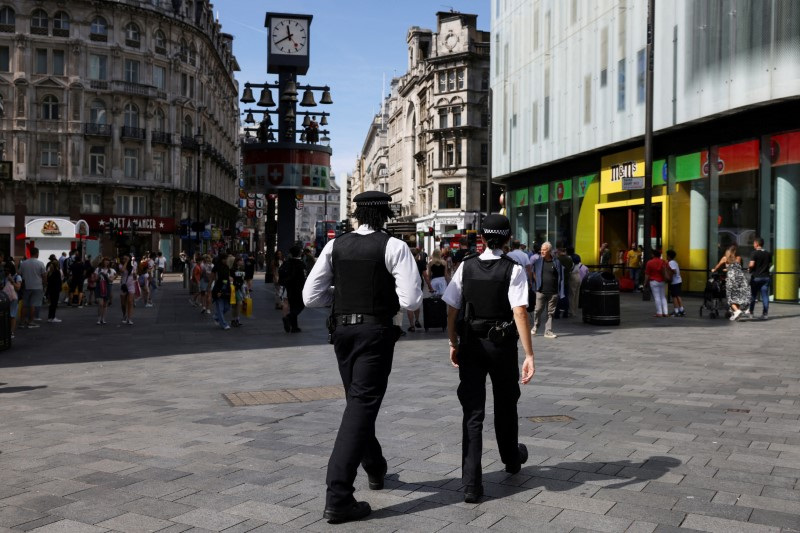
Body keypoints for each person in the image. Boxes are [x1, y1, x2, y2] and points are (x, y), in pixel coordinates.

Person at [302, 190, 422, 524]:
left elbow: (310, 296)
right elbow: (411, 301)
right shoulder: (394, 246)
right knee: (361, 405)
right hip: (375, 334)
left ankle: (375, 466)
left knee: (358, 401)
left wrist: (341, 297)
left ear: (356, 214)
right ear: (385, 215)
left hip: (341, 333)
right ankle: (338, 494)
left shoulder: (334, 245)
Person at [442, 214, 535, 504]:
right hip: (502, 346)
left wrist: (452, 342)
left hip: (470, 344)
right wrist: (529, 353)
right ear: (507, 239)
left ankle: (472, 485)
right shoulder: (513, 269)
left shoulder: (465, 267)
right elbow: (520, 312)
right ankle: (510, 458)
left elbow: (452, 309)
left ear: (481, 237)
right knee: (506, 404)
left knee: (472, 413)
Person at [530, 242, 564, 338]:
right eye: (541, 249)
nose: (542, 251)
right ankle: (535, 326)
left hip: (553, 292)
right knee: (537, 310)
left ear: (549, 251)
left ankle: (548, 331)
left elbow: (560, 277)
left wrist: (559, 291)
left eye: (544, 250)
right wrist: (537, 284)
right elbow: (533, 272)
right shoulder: (538, 262)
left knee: (550, 313)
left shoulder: (556, 262)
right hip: (541, 291)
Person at [712, 245, 749, 321]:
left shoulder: (725, 258)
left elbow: (717, 267)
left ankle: (737, 310)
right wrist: (728, 269)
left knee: (730, 297)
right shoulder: (738, 258)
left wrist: (714, 270)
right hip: (740, 278)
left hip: (732, 278)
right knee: (737, 296)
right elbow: (737, 267)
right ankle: (736, 314)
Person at [280, 246, 307, 333]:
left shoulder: (287, 262)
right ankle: (288, 317)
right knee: (300, 305)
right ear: (299, 253)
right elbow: (303, 277)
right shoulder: (300, 264)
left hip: (289, 288)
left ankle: (294, 327)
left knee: (292, 306)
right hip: (299, 288)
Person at [18, 247, 46, 329]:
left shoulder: (24, 263)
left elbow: (19, 273)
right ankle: (30, 322)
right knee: (33, 305)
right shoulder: (40, 263)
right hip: (37, 287)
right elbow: (44, 276)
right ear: (37, 253)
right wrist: (45, 285)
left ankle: (22, 322)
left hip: (27, 286)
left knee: (25, 305)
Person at [747, 236, 772, 320]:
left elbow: (752, 264)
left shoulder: (754, 253)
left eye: (754, 243)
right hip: (766, 277)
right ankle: (765, 314)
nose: (753, 245)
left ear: (757, 244)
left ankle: (751, 313)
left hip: (756, 277)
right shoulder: (768, 253)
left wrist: (749, 269)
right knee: (765, 296)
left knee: (753, 296)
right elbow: (768, 264)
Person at [643, 249, 669, 317]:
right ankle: (665, 312)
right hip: (662, 281)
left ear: (653, 255)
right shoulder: (663, 262)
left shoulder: (649, 262)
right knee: (663, 296)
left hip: (653, 281)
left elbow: (647, 274)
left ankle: (659, 312)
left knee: (657, 297)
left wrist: (645, 283)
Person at [210, 252, 232, 330]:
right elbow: (212, 278)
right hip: (218, 288)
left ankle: (216, 316)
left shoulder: (226, 267)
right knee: (220, 308)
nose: (226, 260)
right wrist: (211, 289)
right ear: (222, 259)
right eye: (225, 259)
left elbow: (227, 278)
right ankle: (224, 324)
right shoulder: (216, 267)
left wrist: (230, 280)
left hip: (226, 288)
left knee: (227, 307)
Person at [95, 257, 116, 325]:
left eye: (108, 261)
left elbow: (111, 280)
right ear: (102, 262)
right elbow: (95, 279)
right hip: (99, 286)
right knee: (100, 304)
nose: (106, 262)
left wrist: (106, 276)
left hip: (108, 287)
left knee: (105, 304)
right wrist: (99, 275)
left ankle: (103, 318)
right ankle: (99, 318)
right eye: (105, 261)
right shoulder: (98, 269)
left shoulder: (112, 270)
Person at [3, 263, 21, 338]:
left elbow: (18, 288)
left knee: (12, 315)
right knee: (4, 315)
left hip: (14, 298)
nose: (6, 271)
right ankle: (5, 331)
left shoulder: (17, 277)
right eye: (5, 270)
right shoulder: (4, 277)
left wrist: (12, 281)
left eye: (7, 270)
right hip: (5, 298)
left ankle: (11, 332)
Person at [665, 250, 685, 317]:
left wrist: (669, 277)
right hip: (678, 281)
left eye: (667, 255)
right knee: (678, 295)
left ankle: (676, 311)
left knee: (674, 297)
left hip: (674, 282)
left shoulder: (671, 262)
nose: (666, 257)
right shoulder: (675, 262)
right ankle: (681, 309)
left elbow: (674, 271)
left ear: (669, 256)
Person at [119, 254, 137, 325]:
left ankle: (129, 318)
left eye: (126, 258)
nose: (125, 260)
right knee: (123, 303)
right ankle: (124, 315)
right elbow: (122, 270)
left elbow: (135, 275)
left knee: (130, 301)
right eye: (124, 259)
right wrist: (126, 262)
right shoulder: (121, 265)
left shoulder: (134, 264)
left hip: (131, 285)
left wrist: (135, 275)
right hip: (123, 285)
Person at [45, 254, 63, 323]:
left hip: (51, 290)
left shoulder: (50, 273)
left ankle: (50, 317)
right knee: (54, 304)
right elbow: (59, 281)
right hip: (56, 290)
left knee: (51, 304)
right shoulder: (57, 272)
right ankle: (53, 317)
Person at [231, 255, 246, 327]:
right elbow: (231, 279)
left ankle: (235, 319)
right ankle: (236, 319)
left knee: (236, 305)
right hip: (235, 288)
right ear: (237, 262)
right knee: (238, 303)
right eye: (241, 260)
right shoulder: (233, 269)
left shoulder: (242, 269)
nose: (242, 261)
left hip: (240, 288)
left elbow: (243, 279)